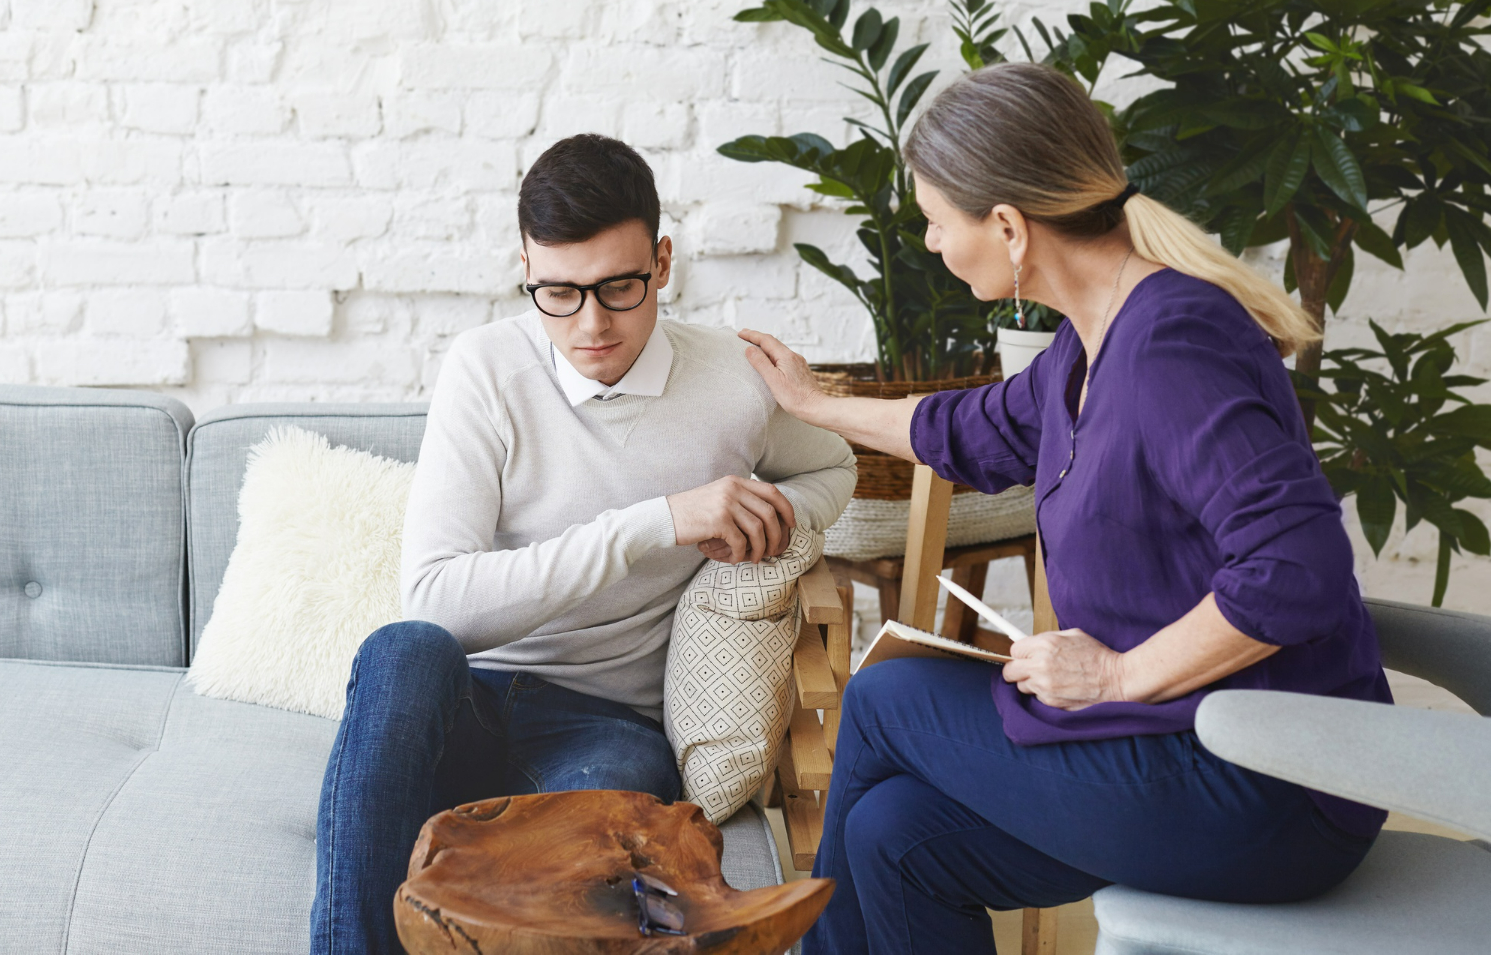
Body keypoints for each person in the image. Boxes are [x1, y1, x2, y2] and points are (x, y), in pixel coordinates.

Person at [740, 63, 1393, 953]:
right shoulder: (1089, 344)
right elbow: (967, 428)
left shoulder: (1171, 346)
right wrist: (817, 403)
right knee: (894, 835)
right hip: (1177, 749)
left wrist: (1117, 677)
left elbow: (1296, 574)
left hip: (1269, 785)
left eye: (936, 221)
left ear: (1008, 226)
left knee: (890, 696)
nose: (930, 243)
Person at [309, 133, 857, 955]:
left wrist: (768, 510)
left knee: (589, 877)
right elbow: (436, 603)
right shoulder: (486, 369)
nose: (591, 324)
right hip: (468, 699)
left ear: (663, 262)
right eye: (557, 293)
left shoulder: (735, 378)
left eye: (619, 288)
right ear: (526, 269)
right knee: (402, 650)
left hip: (607, 725)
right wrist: (655, 521)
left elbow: (837, 469)